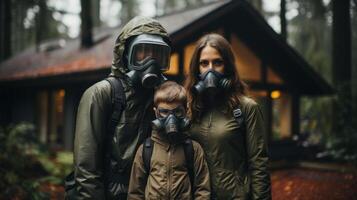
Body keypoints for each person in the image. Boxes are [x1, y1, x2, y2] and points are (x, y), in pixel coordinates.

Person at [72, 16, 171, 199]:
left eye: (157, 53)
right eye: (143, 51)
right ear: (125, 54)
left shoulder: (162, 97)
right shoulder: (101, 94)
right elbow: (86, 170)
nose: (151, 61)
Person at [184, 33, 271, 200]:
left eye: (217, 62)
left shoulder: (246, 108)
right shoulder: (188, 109)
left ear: (228, 66)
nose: (210, 69)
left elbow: (259, 165)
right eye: (204, 63)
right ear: (196, 68)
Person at [127, 81, 211, 200]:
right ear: (156, 112)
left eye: (177, 112)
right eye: (164, 112)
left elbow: (202, 190)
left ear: (186, 110)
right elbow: (135, 192)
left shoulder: (193, 149)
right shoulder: (146, 149)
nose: (171, 119)